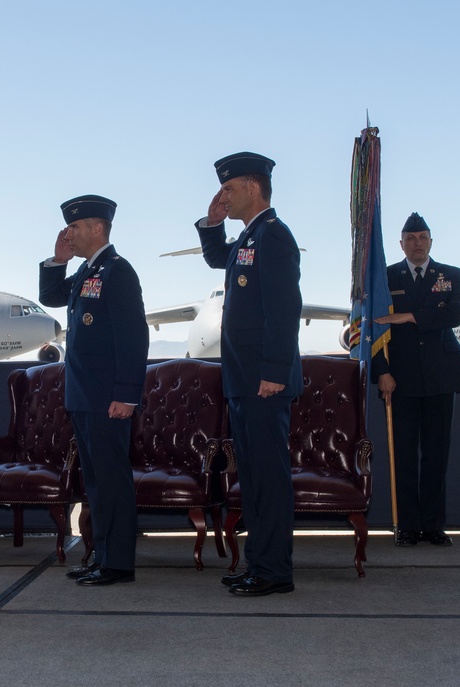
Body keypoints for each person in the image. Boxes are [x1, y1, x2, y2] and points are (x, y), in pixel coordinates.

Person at [196, 152, 302, 596]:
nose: (224, 194)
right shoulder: (248, 238)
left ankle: (274, 571)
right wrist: (212, 222)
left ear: (253, 189)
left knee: (269, 479)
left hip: (264, 380)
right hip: (243, 380)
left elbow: (284, 309)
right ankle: (260, 563)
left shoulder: (274, 237)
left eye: (230, 188)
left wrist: (275, 371)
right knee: (254, 478)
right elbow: (219, 258)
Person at [38, 194, 149, 586]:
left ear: (97, 228)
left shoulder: (117, 271)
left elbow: (134, 337)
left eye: (75, 227)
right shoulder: (88, 271)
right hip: (84, 396)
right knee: (97, 483)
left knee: (112, 481)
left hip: (107, 398)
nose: (69, 233)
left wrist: (126, 393)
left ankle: (118, 563)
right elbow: (51, 296)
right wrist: (57, 260)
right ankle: (102, 555)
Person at [372, 212, 460, 547]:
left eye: (423, 238)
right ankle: (408, 525)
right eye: (411, 239)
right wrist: (381, 373)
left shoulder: (451, 275)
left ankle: (433, 525)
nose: (417, 244)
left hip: (440, 376)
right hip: (399, 378)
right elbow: (374, 328)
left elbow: (454, 312)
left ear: (431, 241)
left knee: (435, 453)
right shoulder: (384, 277)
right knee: (402, 454)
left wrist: (410, 316)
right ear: (401, 244)